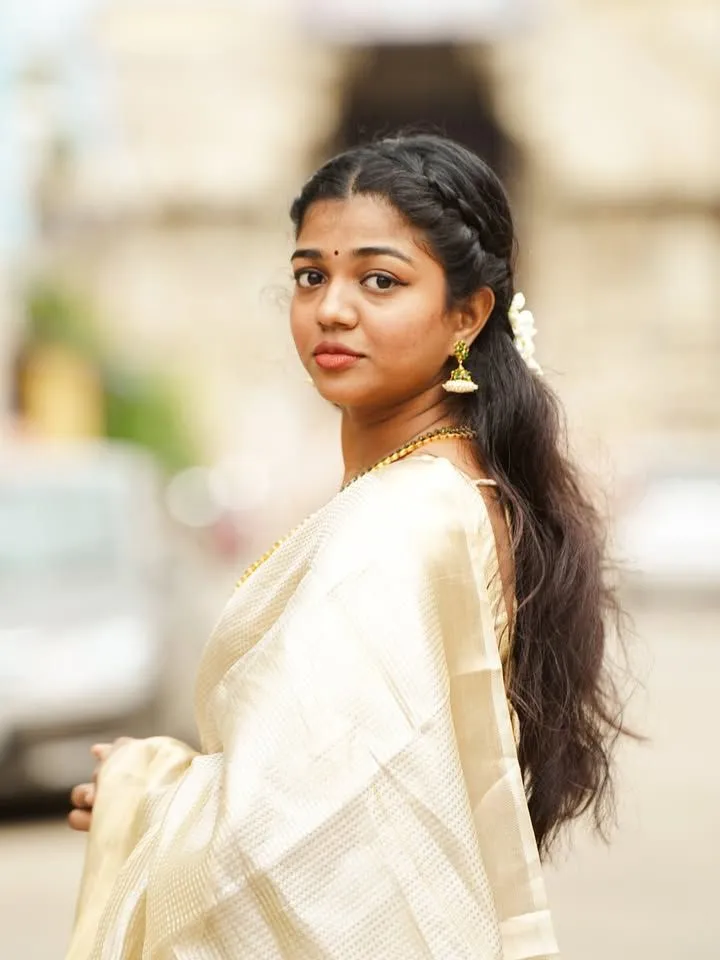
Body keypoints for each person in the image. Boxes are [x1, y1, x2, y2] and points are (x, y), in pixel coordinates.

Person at [67, 134, 626, 960]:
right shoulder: (446, 487)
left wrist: (149, 796)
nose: (332, 307)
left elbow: (289, 852)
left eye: (380, 280)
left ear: (468, 315)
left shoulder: (405, 520)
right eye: (310, 275)